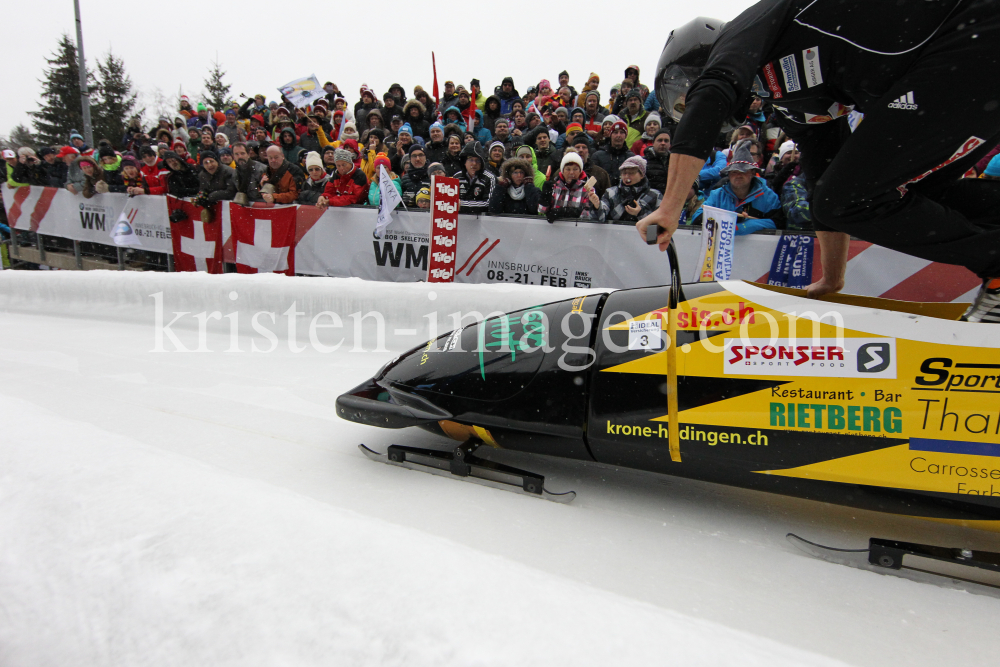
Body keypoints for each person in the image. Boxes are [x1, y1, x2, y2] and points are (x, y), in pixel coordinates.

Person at [642, 8, 1000, 322]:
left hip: (965, 41)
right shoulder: (787, 98)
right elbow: (823, 169)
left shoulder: (744, 30)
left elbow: (713, 93)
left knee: (849, 198)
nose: (689, 106)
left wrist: (670, 207)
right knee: (911, 194)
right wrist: (833, 277)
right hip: (966, 58)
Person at [700, 141, 782, 235]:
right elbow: (698, 217)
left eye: (743, 171)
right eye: (734, 172)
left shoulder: (768, 196)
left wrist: (746, 226)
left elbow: (778, 223)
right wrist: (729, 218)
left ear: (752, 173)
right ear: (729, 174)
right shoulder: (717, 194)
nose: (738, 175)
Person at [591, 155, 662, 224]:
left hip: (642, 235)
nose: (627, 176)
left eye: (631, 173)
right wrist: (597, 206)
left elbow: (660, 222)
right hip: (614, 234)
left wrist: (640, 213)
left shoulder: (655, 195)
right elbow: (599, 219)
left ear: (642, 175)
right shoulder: (611, 193)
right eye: (624, 173)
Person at [538, 151, 596, 222]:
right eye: (568, 169)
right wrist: (545, 197)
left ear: (580, 171)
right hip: (556, 229)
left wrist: (568, 212)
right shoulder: (555, 187)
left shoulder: (587, 189)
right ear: (562, 171)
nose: (571, 172)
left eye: (575, 169)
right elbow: (542, 210)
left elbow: (588, 216)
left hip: (577, 229)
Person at [454, 142, 495, 214]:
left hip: (482, 222)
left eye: (478, 160)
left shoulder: (489, 178)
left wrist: (462, 205)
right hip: (460, 220)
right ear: (464, 162)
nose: (474, 163)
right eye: (471, 160)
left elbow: (489, 204)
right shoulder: (456, 177)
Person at [592, 121, 635, 185]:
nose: (618, 135)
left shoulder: (631, 157)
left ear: (626, 136)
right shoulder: (598, 156)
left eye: (622, 132)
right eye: (615, 132)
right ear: (610, 135)